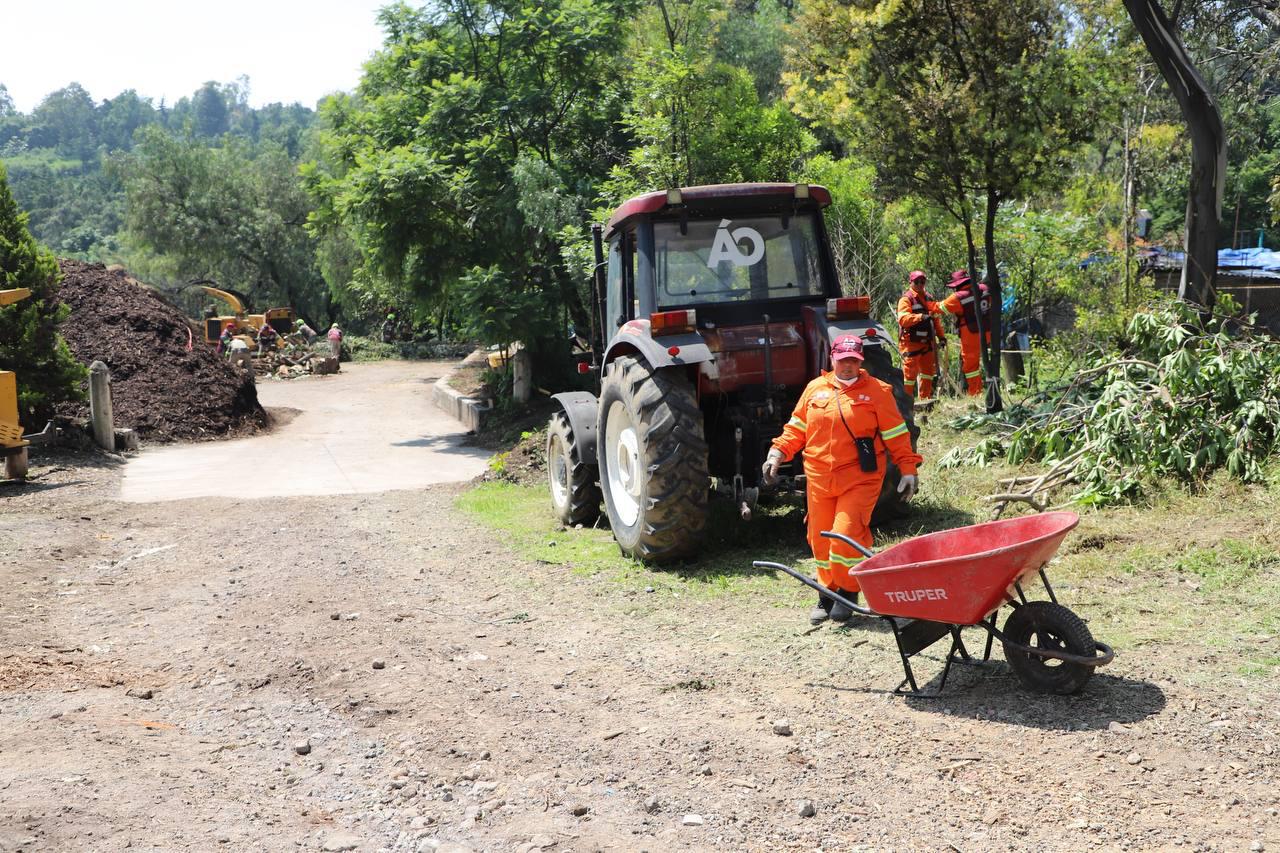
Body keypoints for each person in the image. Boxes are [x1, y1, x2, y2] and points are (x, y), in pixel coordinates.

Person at [762, 334, 922, 625]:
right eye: (842, 360)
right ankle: (826, 594)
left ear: (860, 361)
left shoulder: (878, 391)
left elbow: (897, 435)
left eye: (853, 360)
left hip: (860, 479)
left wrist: (908, 469)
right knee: (819, 539)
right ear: (832, 359)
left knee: (845, 536)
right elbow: (797, 428)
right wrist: (777, 452)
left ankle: (849, 593)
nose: (847, 366)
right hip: (819, 478)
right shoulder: (815, 389)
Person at [895, 270, 946, 399]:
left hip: (927, 343)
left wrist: (941, 337)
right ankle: (906, 404)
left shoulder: (928, 298)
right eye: (916, 282)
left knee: (928, 373)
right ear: (910, 282)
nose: (920, 284)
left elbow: (935, 320)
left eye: (922, 281)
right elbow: (903, 319)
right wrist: (920, 317)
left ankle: (925, 401)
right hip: (910, 343)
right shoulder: (906, 299)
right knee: (909, 377)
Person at [940, 270, 992, 396]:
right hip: (988, 331)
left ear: (957, 285)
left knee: (970, 366)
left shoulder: (958, 297)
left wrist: (928, 305)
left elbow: (940, 308)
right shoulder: (985, 288)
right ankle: (992, 390)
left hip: (971, 334)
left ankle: (975, 392)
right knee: (988, 360)